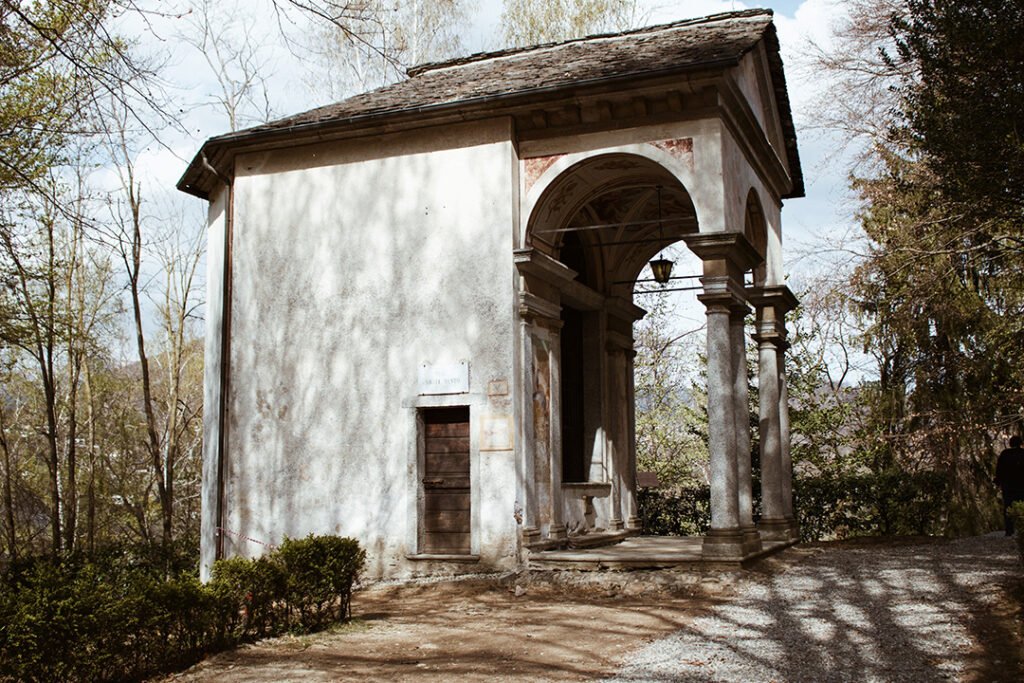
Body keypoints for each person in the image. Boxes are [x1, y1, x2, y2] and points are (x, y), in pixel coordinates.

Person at [995, 436, 1024, 536]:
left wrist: (998, 481)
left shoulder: (1005, 454)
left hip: (1008, 486)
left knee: (1008, 507)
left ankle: (1009, 530)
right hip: (1021, 485)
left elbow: (999, 469)